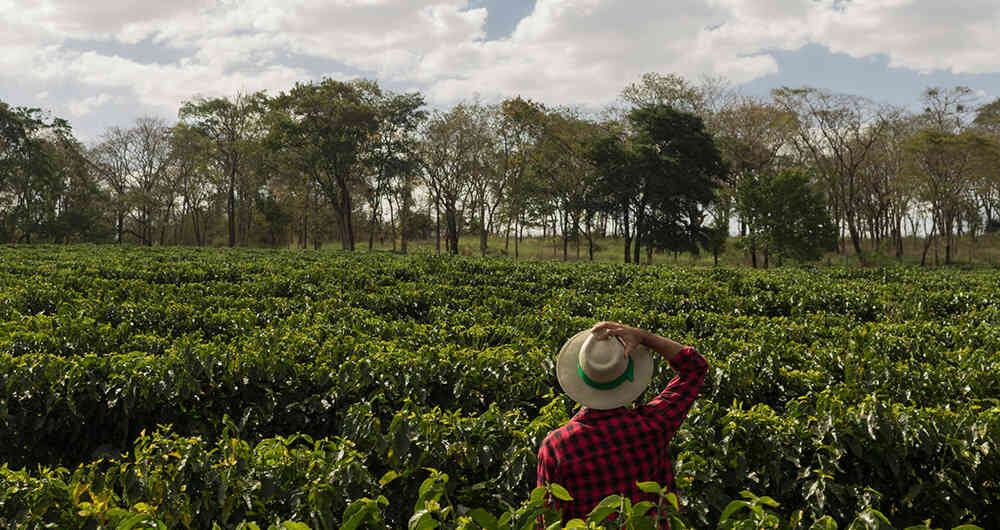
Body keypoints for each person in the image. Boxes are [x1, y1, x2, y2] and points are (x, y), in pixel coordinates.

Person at [536, 321, 708, 525]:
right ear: (628, 376)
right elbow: (695, 368)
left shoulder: (556, 446)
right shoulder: (653, 426)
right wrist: (645, 337)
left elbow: (547, 519)